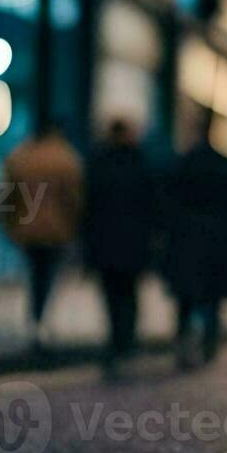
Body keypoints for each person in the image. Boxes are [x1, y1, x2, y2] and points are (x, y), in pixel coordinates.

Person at [164, 116, 227, 367]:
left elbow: (169, 204)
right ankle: (208, 343)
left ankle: (183, 342)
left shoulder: (183, 163)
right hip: (216, 243)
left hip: (187, 240)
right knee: (212, 296)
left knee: (186, 298)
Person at [0, 121, 83, 346]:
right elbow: (74, 198)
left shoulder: (20, 156)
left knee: (35, 273)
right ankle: (40, 319)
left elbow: (8, 196)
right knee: (47, 275)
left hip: (26, 227)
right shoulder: (66, 158)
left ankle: (35, 320)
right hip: (56, 228)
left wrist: (9, 224)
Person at [84, 119, 156, 370]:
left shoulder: (99, 162)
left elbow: (89, 208)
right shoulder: (140, 162)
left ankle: (119, 341)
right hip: (131, 245)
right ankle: (124, 341)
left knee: (113, 295)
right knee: (127, 294)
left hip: (108, 244)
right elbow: (152, 207)